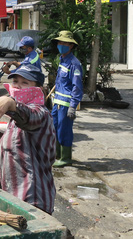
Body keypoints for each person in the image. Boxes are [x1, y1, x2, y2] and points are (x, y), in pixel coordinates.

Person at [0, 64, 56, 214]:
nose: (18, 87)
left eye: (25, 83)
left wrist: (10, 102)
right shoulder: (17, 115)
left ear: (38, 88)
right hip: (15, 193)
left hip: (32, 197)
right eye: (15, 82)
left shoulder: (40, 112)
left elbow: (29, 116)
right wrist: (5, 129)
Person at [51, 30, 83, 167]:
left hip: (65, 104)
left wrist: (73, 106)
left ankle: (66, 158)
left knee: (64, 131)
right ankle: (57, 154)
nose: (60, 45)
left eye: (63, 42)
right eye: (59, 42)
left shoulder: (74, 63)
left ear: (70, 45)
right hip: (57, 101)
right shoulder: (62, 60)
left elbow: (77, 86)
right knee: (54, 128)